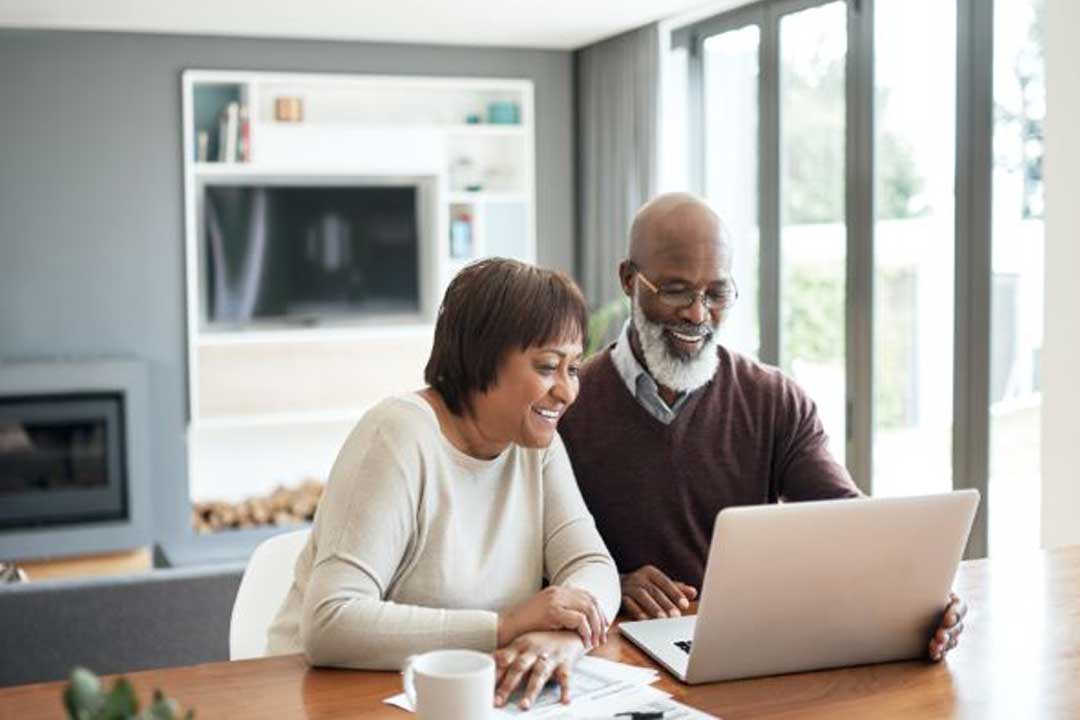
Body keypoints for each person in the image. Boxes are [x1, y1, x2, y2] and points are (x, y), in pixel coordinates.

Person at [559, 193, 966, 663]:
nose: (697, 314)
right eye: (675, 290)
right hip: (616, 659)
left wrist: (923, 600)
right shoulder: (567, 405)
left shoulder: (773, 400)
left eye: (716, 293)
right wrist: (608, 582)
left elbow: (851, 527)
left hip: (747, 652)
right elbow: (527, 567)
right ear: (630, 280)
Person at [267, 258, 621, 709]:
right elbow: (330, 624)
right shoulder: (397, 436)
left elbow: (592, 564)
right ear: (481, 358)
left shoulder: (537, 446)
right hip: (318, 698)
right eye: (548, 366)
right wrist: (505, 626)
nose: (567, 392)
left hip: (455, 697)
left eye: (573, 368)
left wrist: (563, 638)